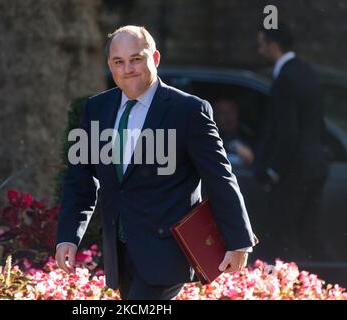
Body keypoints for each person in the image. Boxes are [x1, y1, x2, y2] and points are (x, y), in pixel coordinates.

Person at [55, 25, 256, 300]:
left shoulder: (189, 111)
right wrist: (68, 235)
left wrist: (239, 241)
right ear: (110, 65)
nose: (128, 69)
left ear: (156, 58)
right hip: (120, 252)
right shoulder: (96, 109)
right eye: (119, 62)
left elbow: (219, 178)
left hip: (167, 252)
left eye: (136, 59)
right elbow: (81, 178)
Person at [255, 24, 328, 262]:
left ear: (273, 45)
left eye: (261, 44)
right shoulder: (307, 71)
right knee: (307, 234)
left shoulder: (285, 78)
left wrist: (273, 170)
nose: (259, 50)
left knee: (282, 237)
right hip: (314, 165)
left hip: (293, 170)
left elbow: (287, 131)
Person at [213, 99, 255, 167]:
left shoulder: (248, 134)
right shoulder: (209, 137)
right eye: (222, 112)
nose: (227, 116)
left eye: (231, 111)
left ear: (237, 113)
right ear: (216, 116)